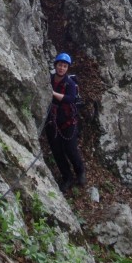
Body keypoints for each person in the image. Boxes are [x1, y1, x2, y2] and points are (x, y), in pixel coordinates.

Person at [45, 52, 86, 192]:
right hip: (52, 122)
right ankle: (67, 176)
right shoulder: (48, 79)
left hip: (68, 122)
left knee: (70, 149)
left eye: (64, 66)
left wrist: (52, 93)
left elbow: (70, 99)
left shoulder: (70, 83)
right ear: (55, 65)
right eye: (60, 65)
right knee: (57, 152)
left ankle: (80, 171)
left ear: (67, 68)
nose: (61, 68)